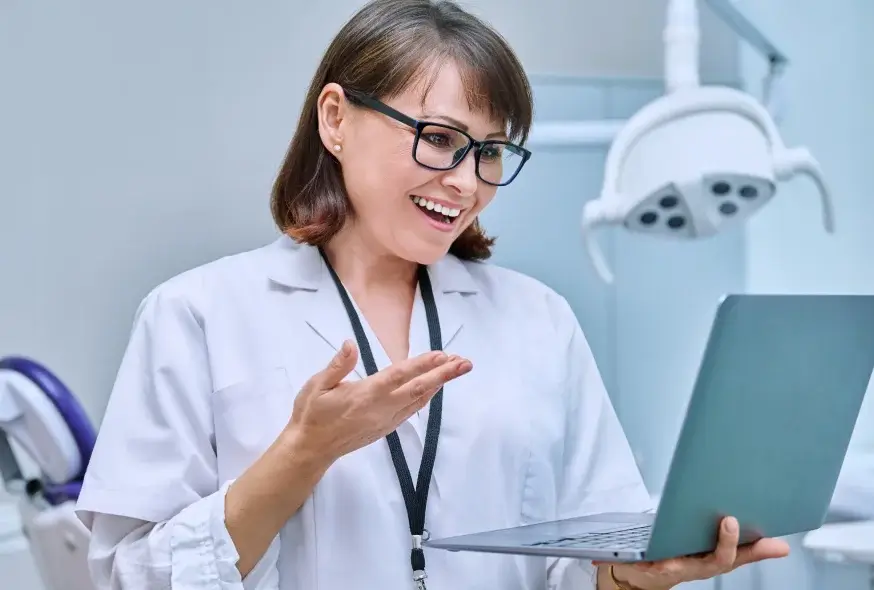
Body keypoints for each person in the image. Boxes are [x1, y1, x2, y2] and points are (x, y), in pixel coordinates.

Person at [74, 1, 790, 588]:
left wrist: (627, 579)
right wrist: (303, 454)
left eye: (489, 152)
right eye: (439, 137)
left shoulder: (538, 320)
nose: (465, 181)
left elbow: (581, 559)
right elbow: (127, 576)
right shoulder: (197, 314)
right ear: (335, 119)